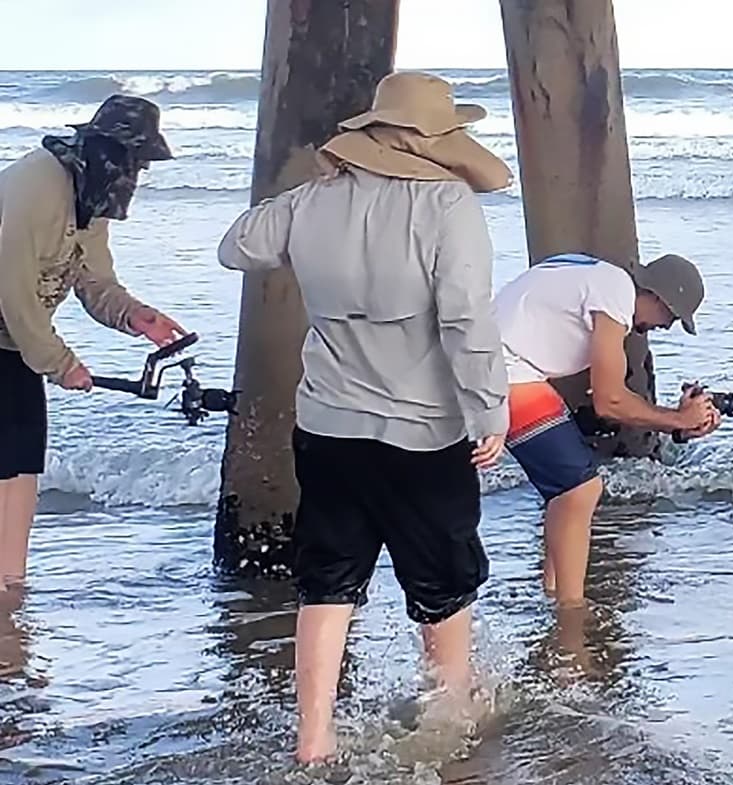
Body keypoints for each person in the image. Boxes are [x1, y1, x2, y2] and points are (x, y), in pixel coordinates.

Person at [216, 71, 512, 763]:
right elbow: (466, 318)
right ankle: (450, 714)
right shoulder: (447, 205)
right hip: (426, 429)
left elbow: (237, 246)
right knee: (442, 581)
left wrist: (318, 187)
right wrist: (488, 409)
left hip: (328, 426)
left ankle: (313, 740)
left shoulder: (312, 202)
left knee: (327, 578)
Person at [0, 95, 187, 587]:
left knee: (22, 460)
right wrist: (60, 362)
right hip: (11, 329)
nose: (135, 178)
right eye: (135, 163)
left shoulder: (91, 195)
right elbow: (13, 295)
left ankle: (10, 584)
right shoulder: (31, 191)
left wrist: (136, 316)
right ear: (104, 150)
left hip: (13, 343)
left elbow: (94, 281)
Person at [489, 252, 719, 609]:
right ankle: (571, 609)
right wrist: (679, 420)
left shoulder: (599, 277)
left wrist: (676, 423)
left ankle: (553, 592)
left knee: (566, 492)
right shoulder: (614, 293)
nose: (666, 327)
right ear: (657, 297)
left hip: (498, 361)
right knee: (581, 488)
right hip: (501, 370)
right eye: (671, 317)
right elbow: (609, 401)